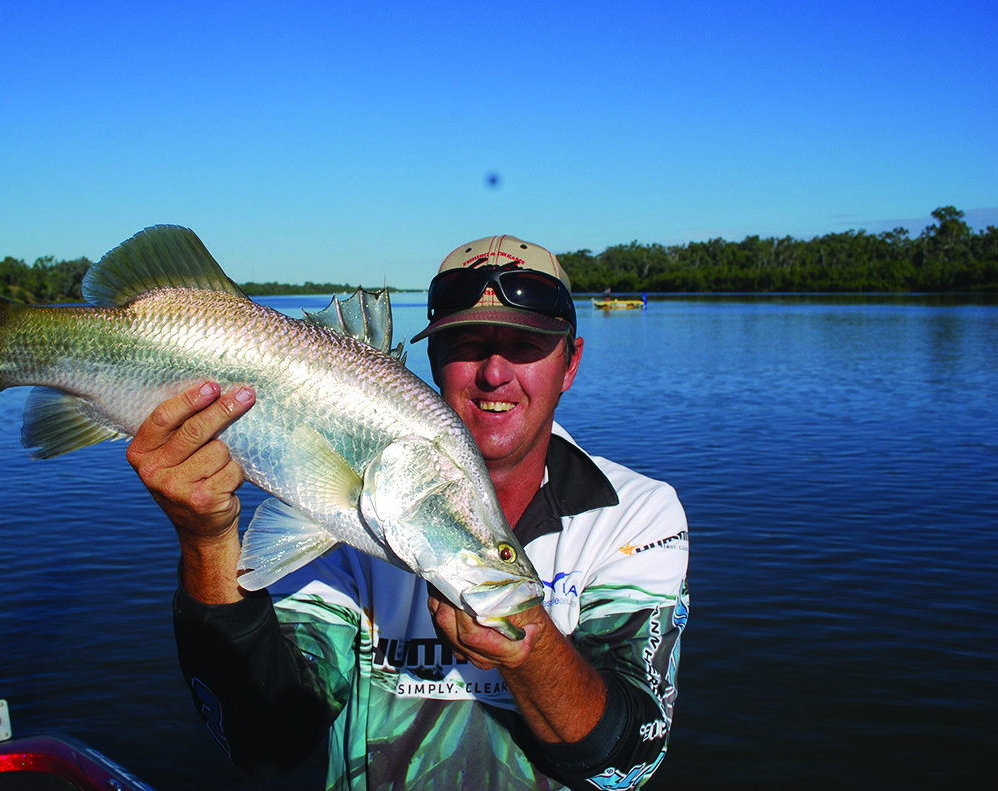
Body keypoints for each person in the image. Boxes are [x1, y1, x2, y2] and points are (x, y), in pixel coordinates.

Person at [127, 235, 690, 790]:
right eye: (466, 342)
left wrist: (533, 653)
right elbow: (268, 742)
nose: (495, 372)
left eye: (526, 345)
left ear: (570, 364)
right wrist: (207, 543)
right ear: (435, 359)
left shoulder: (636, 516)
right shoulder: (339, 526)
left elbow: (630, 762)